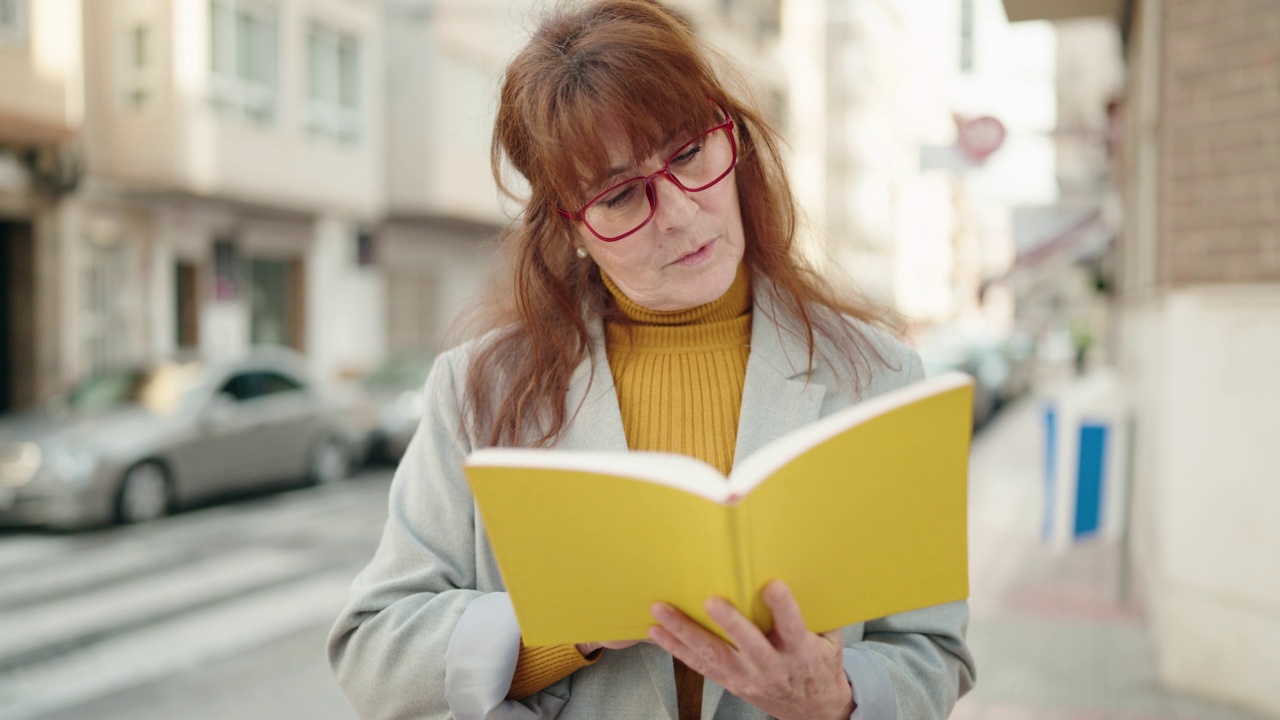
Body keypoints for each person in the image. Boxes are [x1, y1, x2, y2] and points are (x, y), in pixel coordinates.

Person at [327, 1, 976, 718]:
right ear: (572, 229)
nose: (677, 212)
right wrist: (564, 626)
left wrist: (836, 697)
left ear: (734, 144)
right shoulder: (480, 390)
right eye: (621, 195)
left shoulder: (878, 378)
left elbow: (934, 652)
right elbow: (371, 647)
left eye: (690, 153)